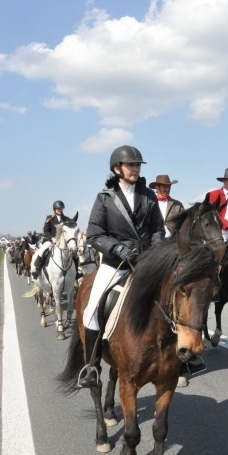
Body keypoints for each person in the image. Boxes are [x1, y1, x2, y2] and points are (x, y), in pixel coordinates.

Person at [77, 145, 165, 388]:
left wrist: (156, 249)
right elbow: (95, 235)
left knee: (177, 295)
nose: (136, 168)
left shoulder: (148, 195)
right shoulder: (104, 198)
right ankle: (91, 366)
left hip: (147, 262)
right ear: (117, 169)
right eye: (131, 165)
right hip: (116, 264)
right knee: (92, 308)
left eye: (138, 165)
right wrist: (118, 249)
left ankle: (184, 357)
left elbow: (158, 228)